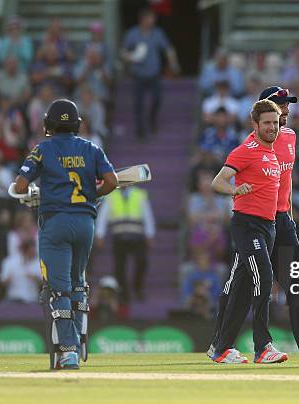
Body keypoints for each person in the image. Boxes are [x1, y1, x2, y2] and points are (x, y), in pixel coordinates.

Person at [208, 86, 299, 363]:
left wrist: (290, 216)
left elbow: (287, 180)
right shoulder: (254, 143)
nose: (286, 110)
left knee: (295, 281)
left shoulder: (290, 137)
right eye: (280, 105)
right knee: (241, 285)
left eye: (287, 105)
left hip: (281, 219)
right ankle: (219, 344)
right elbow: (230, 176)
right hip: (254, 218)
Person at [10, 99, 117, 370]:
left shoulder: (42, 149)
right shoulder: (91, 148)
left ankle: (68, 352)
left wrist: (36, 194)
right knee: (78, 283)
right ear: (76, 124)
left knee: (59, 290)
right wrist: (92, 195)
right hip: (85, 223)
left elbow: (20, 185)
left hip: (56, 223)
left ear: (49, 124)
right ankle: (80, 338)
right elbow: (112, 182)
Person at [208, 99, 286, 364]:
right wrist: (234, 190)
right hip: (247, 225)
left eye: (275, 123)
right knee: (264, 277)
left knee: (240, 288)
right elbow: (217, 182)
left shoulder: (273, 153)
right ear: (255, 124)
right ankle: (263, 347)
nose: (272, 128)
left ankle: (221, 348)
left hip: (267, 226)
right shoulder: (245, 150)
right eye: (266, 123)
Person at [121, 7, 179, 141]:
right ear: (143, 19)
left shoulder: (158, 33)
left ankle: (152, 121)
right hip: (138, 74)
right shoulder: (133, 34)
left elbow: (168, 49)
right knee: (138, 104)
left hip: (154, 74)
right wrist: (132, 57)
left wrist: (173, 63)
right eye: (150, 18)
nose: (153, 21)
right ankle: (140, 130)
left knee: (157, 99)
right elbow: (123, 52)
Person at [95, 185, 156, 303]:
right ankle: (124, 294)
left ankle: (137, 287)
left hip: (137, 236)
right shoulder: (111, 196)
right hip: (119, 237)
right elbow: (103, 216)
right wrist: (100, 234)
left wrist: (150, 234)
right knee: (119, 267)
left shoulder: (139, 194)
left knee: (142, 261)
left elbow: (147, 215)